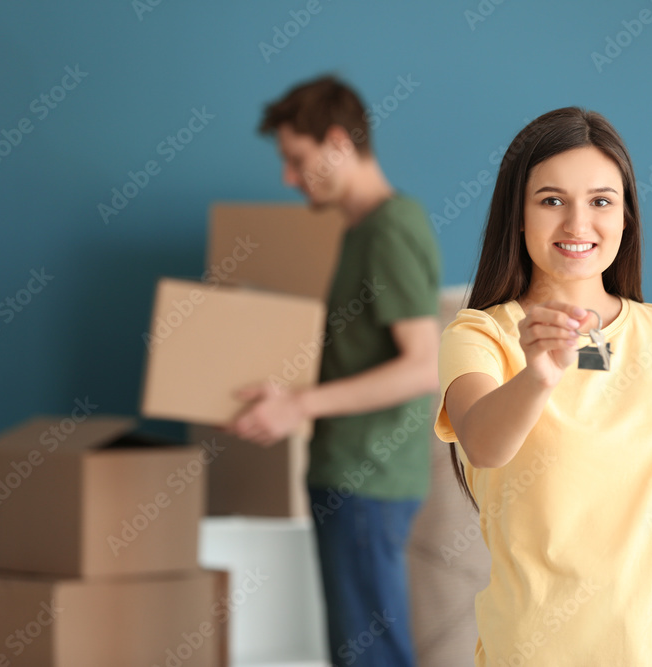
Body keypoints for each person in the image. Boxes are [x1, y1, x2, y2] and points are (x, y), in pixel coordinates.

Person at [434, 107, 652, 666]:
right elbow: (485, 443)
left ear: (626, 216)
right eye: (551, 200)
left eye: (600, 201)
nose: (577, 225)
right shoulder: (480, 335)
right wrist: (541, 371)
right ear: (516, 215)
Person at [227, 75, 441, 667]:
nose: (288, 179)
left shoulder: (390, 228)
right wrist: (289, 395)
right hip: (351, 479)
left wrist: (298, 405)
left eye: (297, 160)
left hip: (366, 481)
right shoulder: (360, 230)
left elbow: (423, 367)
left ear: (339, 142)